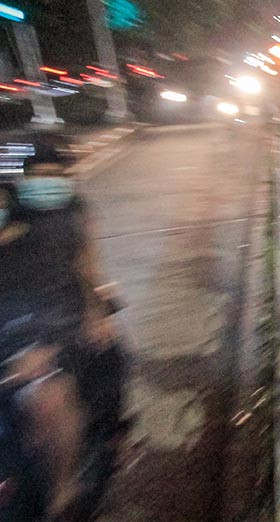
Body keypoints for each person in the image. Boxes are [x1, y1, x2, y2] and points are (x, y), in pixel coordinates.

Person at [1, 142, 126, 519]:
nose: (46, 183)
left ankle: (64, 488)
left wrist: (97, 313)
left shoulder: (67, 215)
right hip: (18, 331)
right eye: (38, 175)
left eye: (54, 174)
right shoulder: (15, 219)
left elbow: (84, 268)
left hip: (54, 325)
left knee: (62, 392)